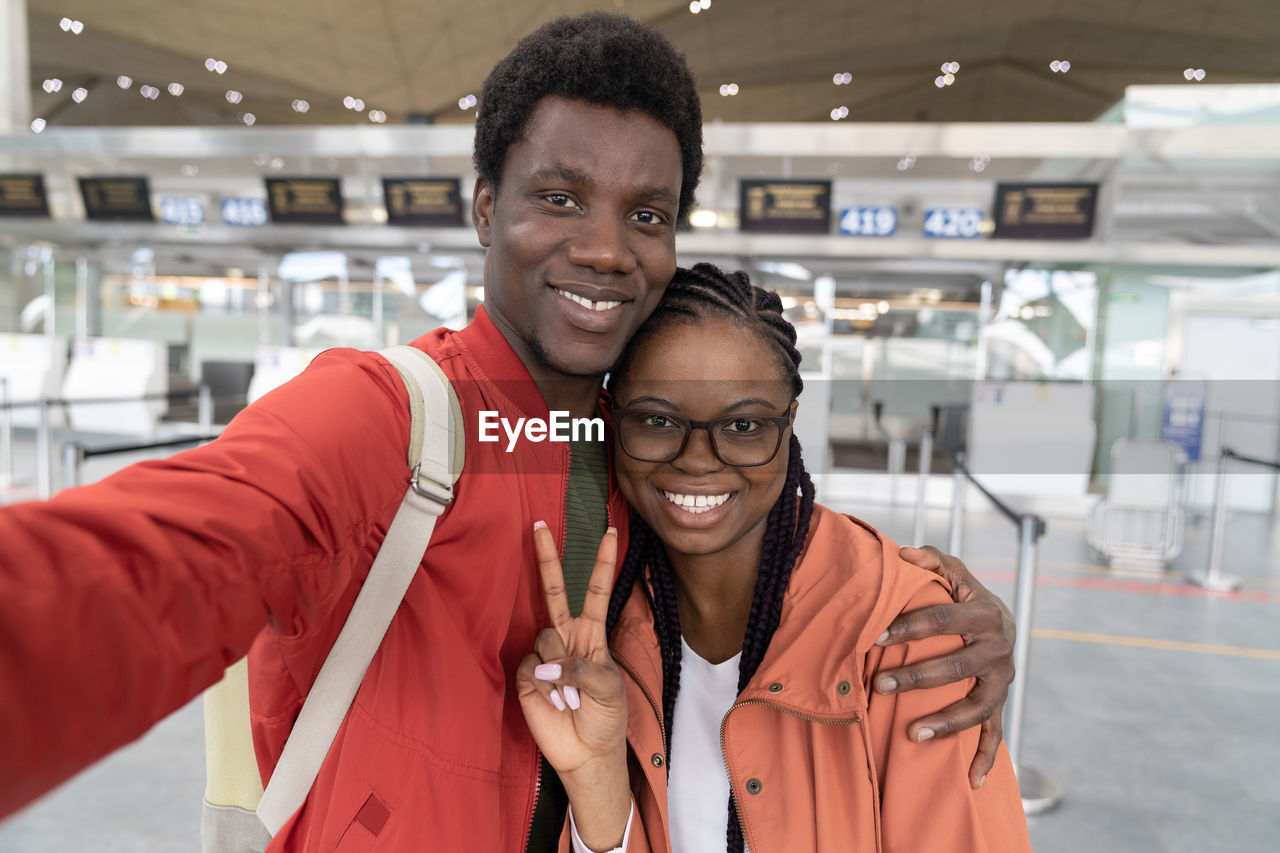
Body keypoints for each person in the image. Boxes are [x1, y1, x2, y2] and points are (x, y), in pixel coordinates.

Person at [0, 13, 1013, 852]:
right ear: (485, 207)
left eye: (647, 214)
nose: (605, 247)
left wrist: (935, 613)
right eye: (559, 197)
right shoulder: (384, 414)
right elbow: (163, 559)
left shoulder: (631, 445)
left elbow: (763, 555)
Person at [518, 264, 1032, 852]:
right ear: (613, 421)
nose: (697, 460)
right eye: (658, 420)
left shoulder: (907, 636)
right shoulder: (598, 619)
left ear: (788, 423)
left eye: (743, 425)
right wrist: (595, 786)